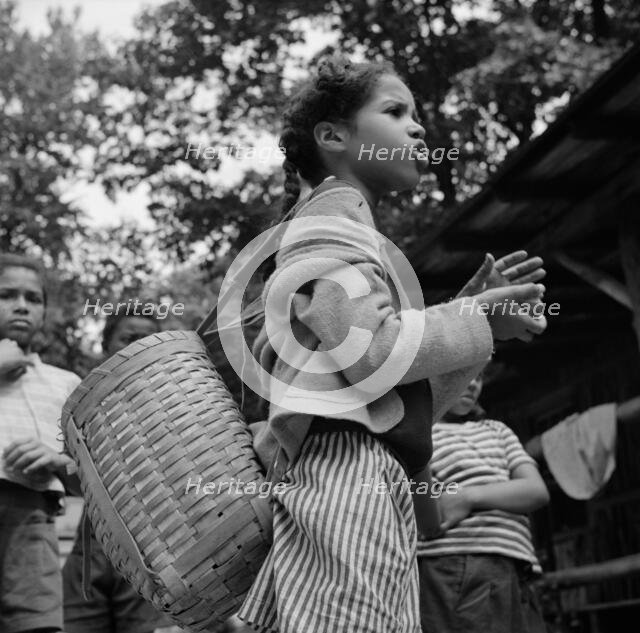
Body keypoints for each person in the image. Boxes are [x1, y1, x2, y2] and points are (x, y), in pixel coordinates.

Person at [235, 56, 547, 633]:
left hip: (355, 475)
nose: (419, 126)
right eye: (395, 111)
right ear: (332, 136)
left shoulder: (343, 226)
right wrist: (472, 316)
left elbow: (389, 393)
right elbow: (376, 352)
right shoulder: (334, 214)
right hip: (345, 477)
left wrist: (476, 327)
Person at [62, 308, 170, 633]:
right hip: (89, 553)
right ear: (105, 348)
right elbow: (71, 486)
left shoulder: (174, 407)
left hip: (151, 555)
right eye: (129, 339)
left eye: (148, 340)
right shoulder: (81, 409)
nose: (138, 347)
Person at [417, 372, 550, 633]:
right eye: (463, 373)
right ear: (431, 378)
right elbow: (419, 495)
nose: (473, 382)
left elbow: (536, 490)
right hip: (456, 561)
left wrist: (468, 497)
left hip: (515, 564)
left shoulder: (497, 430)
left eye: (479, 376)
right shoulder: (423, 433)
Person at [0, 253, 80, 633]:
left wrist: (57, 460)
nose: (21, 305)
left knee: (35, 626)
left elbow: (91, 478)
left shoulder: (65, 383)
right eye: (7, 294)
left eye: (33, 299)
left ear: (44, 312)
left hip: (32, 524)